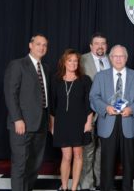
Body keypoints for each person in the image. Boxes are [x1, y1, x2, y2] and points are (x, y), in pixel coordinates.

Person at [89, 45, 134, 191]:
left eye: (121, 56)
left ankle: (127, 187)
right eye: (115, 56)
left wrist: (132, 109)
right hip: (107, 121)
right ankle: (106, 187)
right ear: (110, 58)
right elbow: (93, 97)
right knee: (107, 160)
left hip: (128, 121)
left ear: (126, 58)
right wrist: (105, 108)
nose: (118, 59)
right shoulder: (100, 76)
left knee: (129, 161)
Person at [4, 34, 49, 191]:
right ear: (30, 45)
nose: (41, 47)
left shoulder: (46, 68)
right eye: (38, 44)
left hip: (41, 123)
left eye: (44, 45)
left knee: (35, 163)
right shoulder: (18, 65)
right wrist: (17, 119)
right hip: (21, 124)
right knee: (20, 164)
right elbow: (11, 94)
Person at [49, 49, 94, 191]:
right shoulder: (56, 80)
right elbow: (52, 105)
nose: (73, 63)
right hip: (62, 123)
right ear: (64, 62)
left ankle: (74, 188)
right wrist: (52, 125)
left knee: (78, 154)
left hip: (80, 123)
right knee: (66, 156)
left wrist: (88, 122)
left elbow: (89, 104)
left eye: (75, 61)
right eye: (70, 60)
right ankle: (64, 186)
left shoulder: (85, 80)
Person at [79, 32, 110, 191]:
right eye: (96, 43)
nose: (100, 46)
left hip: (108, 112)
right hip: (88, 112)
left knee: (103, 149)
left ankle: (99, 181)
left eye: (103, 43)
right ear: (91, 46)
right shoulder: (81, 60)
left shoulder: (112, 59)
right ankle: (86, 183)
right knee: (88, 149)